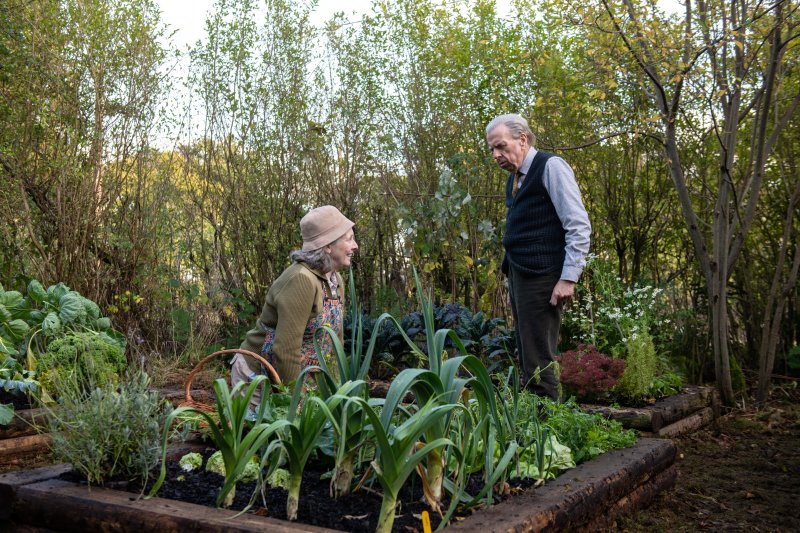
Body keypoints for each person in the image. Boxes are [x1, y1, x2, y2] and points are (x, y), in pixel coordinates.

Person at [485, 114, 591, 401]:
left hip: (543, 275)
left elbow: (578, 225)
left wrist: (568, 278)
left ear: (522, 139)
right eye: (492, 149)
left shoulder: (551, 167)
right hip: (520, 272)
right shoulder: (515, 178)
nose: (496, 155)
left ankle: (547, 420)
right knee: (526, 351)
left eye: (501, 146)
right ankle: (533, 416)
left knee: (539, 356)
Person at [231, 205, 358, 401]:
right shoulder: (301, 280)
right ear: (328, 246)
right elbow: (286, 349)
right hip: (259, 379)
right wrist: (293, 401)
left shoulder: (335, 280)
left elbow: (335, 341)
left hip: (299, 378)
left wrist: (334, 388)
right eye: (349, 239)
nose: (355, 245)